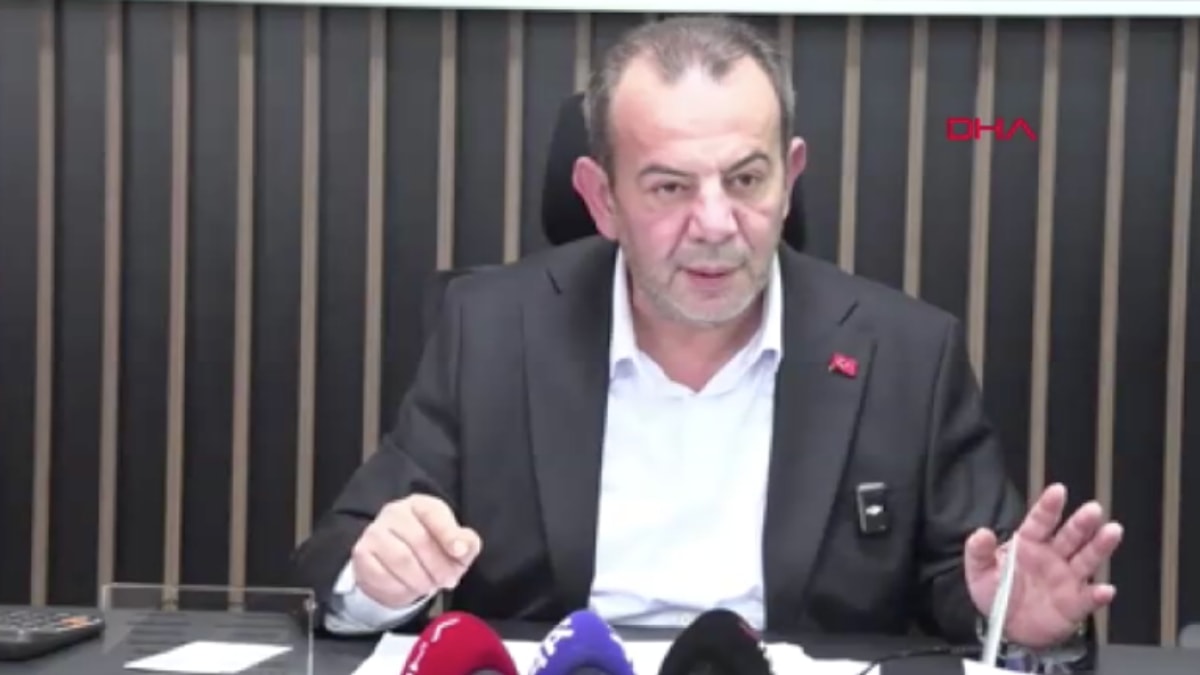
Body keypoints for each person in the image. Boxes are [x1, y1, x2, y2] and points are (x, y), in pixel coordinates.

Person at [291, 14, 1122, 663]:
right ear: (602, 198)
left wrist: (1009, 613)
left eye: (747, 178)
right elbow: (344, 553)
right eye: (669, 187)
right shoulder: (493, 329)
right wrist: (379, 577)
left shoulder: (906, 352)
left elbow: (966, 575)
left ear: (791, 178)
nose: (717, 223)